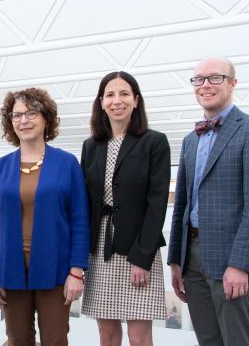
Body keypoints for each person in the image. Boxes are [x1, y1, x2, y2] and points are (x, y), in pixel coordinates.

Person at [167, 58, 249, 346]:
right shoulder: (191, 140)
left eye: (215, 78)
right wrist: (176, 261)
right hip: (191, 258)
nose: (205, 85)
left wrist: (239, 264)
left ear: (233, 83)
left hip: (231, 259)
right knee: (208, 340)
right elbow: (182, 205)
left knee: (238, 341)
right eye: (199, 80)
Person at [0, 87, 89, 346]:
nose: (23, 120)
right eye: (16, 115)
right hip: (11, 270)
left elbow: (80, 219)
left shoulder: (67, 164)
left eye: (31, 113)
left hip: (55, 270)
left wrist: (77, 271)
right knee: (17, 339)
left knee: (55, 339)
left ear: (46, 118)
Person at [80, 71, 170, 346]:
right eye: (110, 95)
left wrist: (142, 258)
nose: (116, 101)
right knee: (106, 335)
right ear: (101, 102)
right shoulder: (91, 146)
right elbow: (85, 203)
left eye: (124, 94)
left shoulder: (154, 142)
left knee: (139, 337)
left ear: (136, 101)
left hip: (138, 250)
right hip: (100, 250)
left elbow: (157, 204)